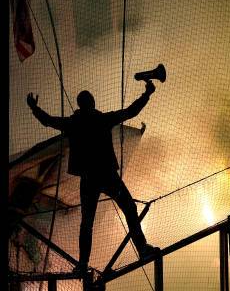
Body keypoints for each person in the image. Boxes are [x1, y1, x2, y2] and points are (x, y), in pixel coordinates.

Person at [27, 81, 159, 272]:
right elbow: (131, 111)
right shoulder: (102, 120)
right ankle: (142, 248)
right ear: (93, 103)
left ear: (80, 105)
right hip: (108, 175)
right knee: (129, 208)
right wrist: (147, 94)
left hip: (89, 179)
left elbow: (48, 120)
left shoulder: (72, 124)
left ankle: (82, 264)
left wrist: (34, 107)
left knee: (87, 222)